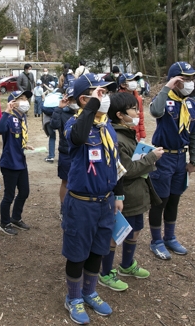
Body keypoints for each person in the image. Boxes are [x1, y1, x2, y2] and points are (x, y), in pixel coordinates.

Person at [62, 73, 123, 325]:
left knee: (98, 251)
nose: (104, 97)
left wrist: (118, 193)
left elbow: (114, 161)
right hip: (82, 203)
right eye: (99, 93)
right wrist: (92, 107)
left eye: (105, 93)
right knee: (77, 254)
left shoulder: (106, 125)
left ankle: (89, 291)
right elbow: (77, 137)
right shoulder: (73, 124)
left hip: (105, 202)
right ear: (83, 99)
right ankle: (73, 297)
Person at [98, 93, 163, 292]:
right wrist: (151, 157)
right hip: (124, 197)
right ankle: (105, 273)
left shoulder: (127, 132)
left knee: (134, 230)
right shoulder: (116, 137)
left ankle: (127, 265)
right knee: (116, 233)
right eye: (133, 109)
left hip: (137, 195)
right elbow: (127, 170)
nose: (138, 112)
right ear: (119, 114)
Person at [148, 61, 195, 260]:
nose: (190, 82)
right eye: (185, 79)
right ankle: (156, 241)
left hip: (181, 157)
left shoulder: (192, 104)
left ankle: (170, 237)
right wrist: (167, 87)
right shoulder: (164, 99)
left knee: (174, 199)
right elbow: (155, 111)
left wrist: (193, 160)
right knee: (159, 200)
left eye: (191, 78)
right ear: (175, 80)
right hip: (164, 157)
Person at [0, 90, 33, 236]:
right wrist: (6, 111)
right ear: (13, 102)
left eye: (26, 98)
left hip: (21, 162)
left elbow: (17, 137)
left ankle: (16, 217)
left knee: (24, 191)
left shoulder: (22, 118)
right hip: (10, 163)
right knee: (9, 195)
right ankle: (4, 223)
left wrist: (24, 145)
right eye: (21, 99)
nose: (25, 101)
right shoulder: (10, 117)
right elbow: (0, 129)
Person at [49, 87, 77, 219]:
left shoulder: (84, 113)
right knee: (65, 181)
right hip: (66, 152)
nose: (73, 101)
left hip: (80, 152)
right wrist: (59, 108)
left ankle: (76, 207)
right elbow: (54, 125)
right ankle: (63, 208)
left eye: (75, 98)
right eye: (70, 99)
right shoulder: (62, 112)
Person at [117, 73, 146, 141]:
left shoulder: (138, 98)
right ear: (123, 84)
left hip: (136, 135)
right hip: (123, 135)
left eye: (134, 80)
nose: (134, 82)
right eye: (130, 80)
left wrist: (142, 135)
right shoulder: (118, 99)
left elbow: (141, 117)